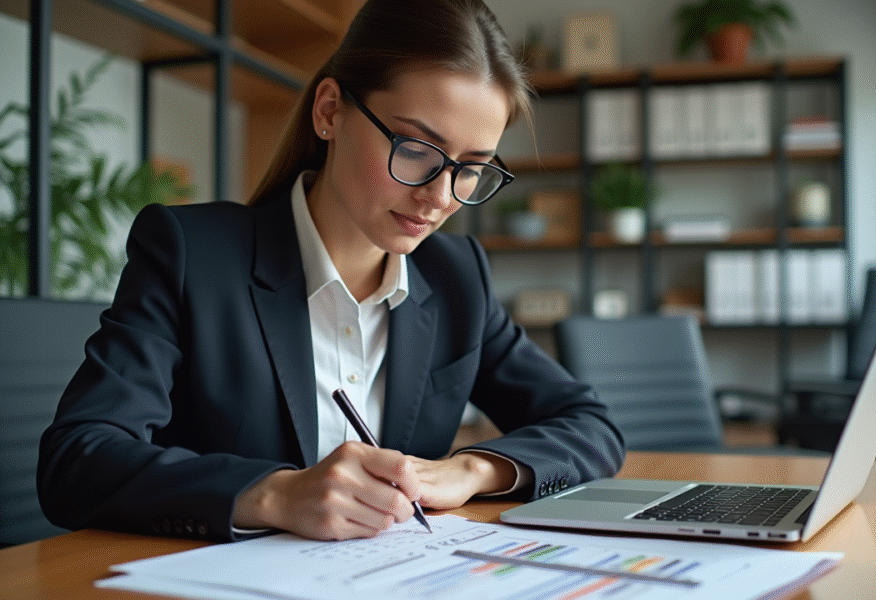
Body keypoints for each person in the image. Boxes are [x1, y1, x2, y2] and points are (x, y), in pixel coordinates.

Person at [37, 0, 625, 543]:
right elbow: (77, 459)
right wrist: (273, 494)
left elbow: (589, 425)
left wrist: (471, 470)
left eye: (470, 168)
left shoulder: (456, 278)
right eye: (416, 149)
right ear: (329, 112)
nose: (441, 196)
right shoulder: (193, 254)